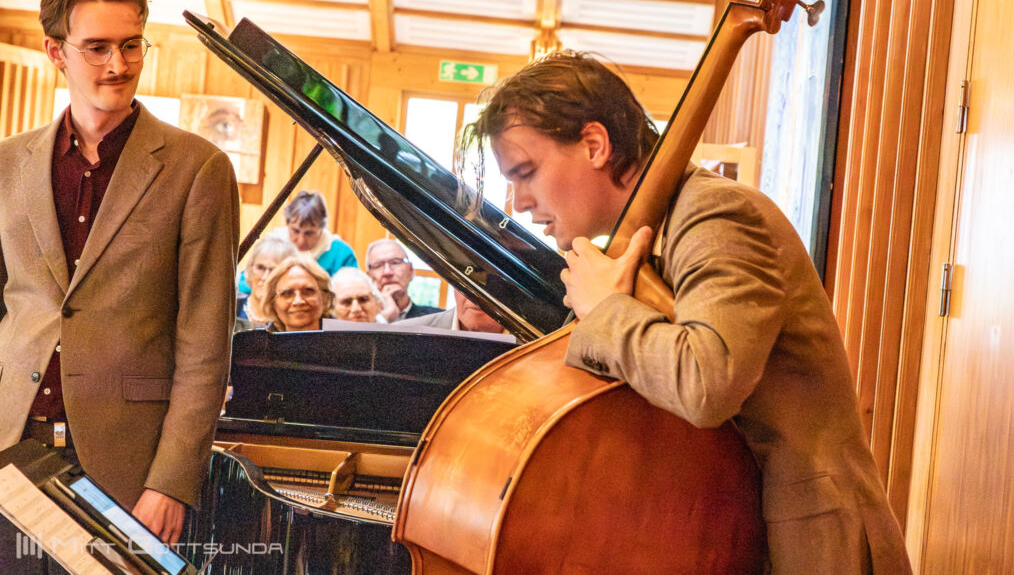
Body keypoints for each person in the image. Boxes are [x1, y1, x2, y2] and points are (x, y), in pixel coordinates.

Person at [461, 51, 912, 572]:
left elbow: (707, 381)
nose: (518, 201)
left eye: (526, 172)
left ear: (593, 144)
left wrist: (606, 307)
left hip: (813, 544)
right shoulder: (650, 234)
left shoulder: (716, 213)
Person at [0, 0, 238, 553]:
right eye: (98, 47)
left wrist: (172, 481)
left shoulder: (199, 168)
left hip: (128, 466)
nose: (118, 64)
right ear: (57, 52)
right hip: (9, 443)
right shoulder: (7, 163)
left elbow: (206, 342)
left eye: (132, 45)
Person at [238, 190, 357, 294]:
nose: (301, 240)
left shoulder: (340, 252)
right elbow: (245, 283)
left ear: (322, 228)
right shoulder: (272, 245)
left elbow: (352, 291)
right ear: (287, 223)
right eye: (295, 231)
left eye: (309, 233)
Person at [365, 239, 443, 322]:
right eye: (378, 265)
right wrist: (382, 319)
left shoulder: (437, 319)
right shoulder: (359, 321)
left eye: (395, 262)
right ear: (369, 277)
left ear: (411, 271)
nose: (387, 272)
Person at [261, 255, 334, 332]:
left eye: (308, 292)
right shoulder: (260, 343)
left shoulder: (345, 340)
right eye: (287, 294)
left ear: (325, 299)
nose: (298, 301)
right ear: (272, 304)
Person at [238, 236, 298, 322]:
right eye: (260, 268)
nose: (265, 277)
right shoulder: (232, 307)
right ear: (249, 268)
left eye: (273, 270)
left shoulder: (295, 315)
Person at [397, 291, 506, 334]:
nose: (476, 295)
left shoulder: (523, 347)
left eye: (492, 282)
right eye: (466, 280)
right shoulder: (402, 336)